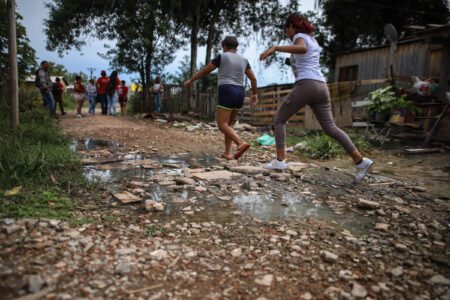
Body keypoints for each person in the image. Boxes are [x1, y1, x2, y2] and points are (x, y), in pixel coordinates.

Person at [259, 14, 373, 181]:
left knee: (279, 120)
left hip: (307, 85)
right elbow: (305, 56)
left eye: (286, 30)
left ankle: (280, 161)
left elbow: (302, 49)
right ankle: (360, 161)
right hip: (321, 86)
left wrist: (275, 48)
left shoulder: (299, 37)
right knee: (331, 128)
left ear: (292, 26)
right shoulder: (313, 40)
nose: (287, 34)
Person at [184, 36, 258, 160]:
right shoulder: (244, 60)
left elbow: (205, 71)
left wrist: (191, 80)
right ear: (236, 47)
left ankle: (240, 143)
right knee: (228, 125)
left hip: (227, 90)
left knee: (222, 125)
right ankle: (227, 153)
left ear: (224, 46)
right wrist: (254, 94)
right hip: (240, 92)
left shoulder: (222, 56)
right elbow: (253, 79)